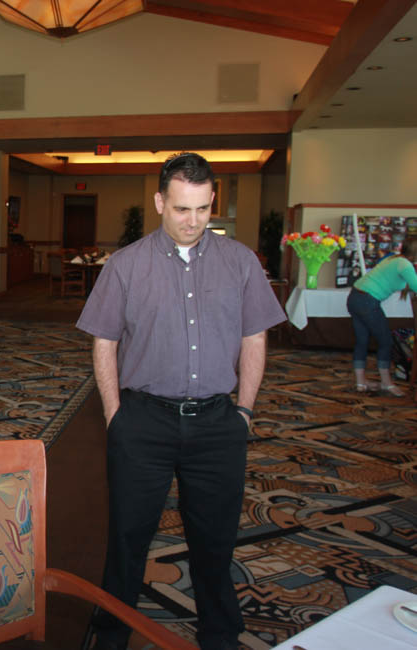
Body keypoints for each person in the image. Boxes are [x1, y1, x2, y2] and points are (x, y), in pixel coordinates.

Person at [76, 153, 286, 650]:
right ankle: (112, 633)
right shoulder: (127, 265)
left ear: (213, 202)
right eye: (180, 209)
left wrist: (244, 412)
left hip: (218, 423)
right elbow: (103, 342)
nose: (192, 221)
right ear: (159, 203)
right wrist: (114, 416)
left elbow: (255, 337)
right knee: (128, 538)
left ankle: (220, 634)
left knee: (214, 541)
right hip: (143, 422)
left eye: (201, 209)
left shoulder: (239, 262)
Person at [346, 237, 417, 396]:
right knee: (386, 341)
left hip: (355, 296)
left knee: (362, 340)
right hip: (367, 301)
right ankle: (386, 383)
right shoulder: (405, 264)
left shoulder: (394, 258)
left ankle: (360, 382)